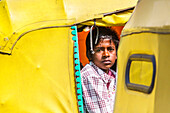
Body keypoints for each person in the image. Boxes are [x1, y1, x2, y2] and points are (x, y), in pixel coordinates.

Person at [81, 26, 119, 113]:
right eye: (99, 50)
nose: (106, 54)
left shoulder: (114, 75)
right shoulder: (90, 75)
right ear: (89, 54)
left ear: (116, 53)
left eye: (110, 49)